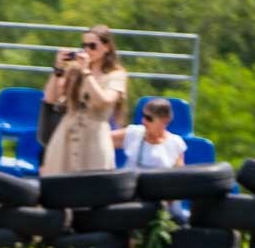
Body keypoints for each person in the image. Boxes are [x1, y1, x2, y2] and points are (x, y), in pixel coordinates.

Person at [41, 25, 127, 175]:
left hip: (95, 136)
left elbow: (104, 101)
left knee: (94, 181)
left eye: (92, 46)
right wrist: (58, 69)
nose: (87, 50)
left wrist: (87, 72)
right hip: (67, 134)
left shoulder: (116, 75)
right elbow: (50, 98)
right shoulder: (74, 70)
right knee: (59, 181)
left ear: (107, 47)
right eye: (84, 45)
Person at [121, 96, 190, 223]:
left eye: (149, 118)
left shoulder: (175, 143)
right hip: (131, 199)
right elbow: (102, 139)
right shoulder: (133, 133)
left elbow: (178, 181)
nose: (143, 121)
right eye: (143, 116)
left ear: (165, 120)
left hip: (161, 205)